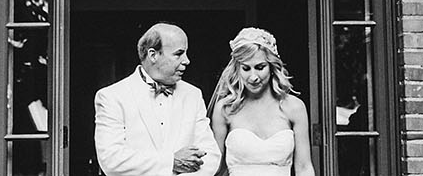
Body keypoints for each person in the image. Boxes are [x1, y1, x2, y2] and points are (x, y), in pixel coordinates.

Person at [95, 23, 220, 176]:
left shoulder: (192, 95)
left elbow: (210, 155)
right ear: (153, 55)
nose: (187, 60)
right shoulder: (112, 97)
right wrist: (171, 162)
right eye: (178, 54)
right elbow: (112, 159)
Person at [209, 28, 313, 176]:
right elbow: (214, 168)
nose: (253, 77)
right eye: (246, 68)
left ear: (272, 67)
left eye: (260, 67)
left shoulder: (294, 108)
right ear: (237, 70)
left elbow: (304, 168)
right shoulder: (225, 109)